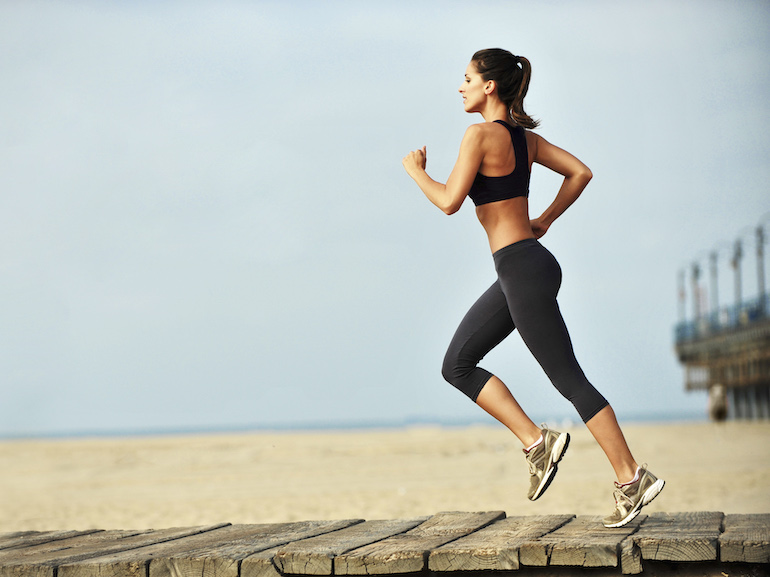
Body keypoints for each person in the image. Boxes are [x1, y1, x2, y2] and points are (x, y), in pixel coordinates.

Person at [402, 48, 664, 528]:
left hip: (521, 270)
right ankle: (536, 442)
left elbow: (448, 202)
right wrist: (543, 219)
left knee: (569, 380)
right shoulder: (527, 142)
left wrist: (416, 171)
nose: (459, 87)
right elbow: (580, 172)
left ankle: (631, 477)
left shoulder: (478, 135)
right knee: (456, 364)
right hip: (523, 266)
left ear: (489, 87)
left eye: (466, 78)